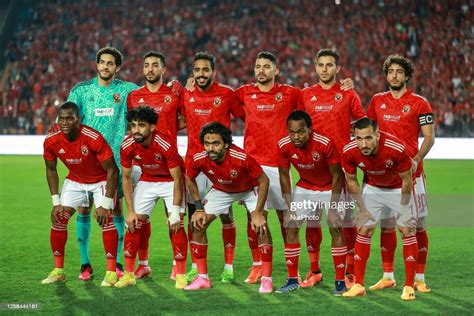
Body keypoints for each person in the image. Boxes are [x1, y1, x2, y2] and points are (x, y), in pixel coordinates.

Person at [235, 51, 354, 284]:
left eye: (267, 66)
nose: (261, 70)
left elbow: (316, 107)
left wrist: (345, 86)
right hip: (255, 163)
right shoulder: (243, 93)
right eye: (258, 66)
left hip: (301, 163)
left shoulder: (293, 93)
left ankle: (326, 272)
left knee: (293, 219)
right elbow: (230, 106)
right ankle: (259, 264)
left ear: (276, 70)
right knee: (255, 216)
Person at [67, 47, 138, 280]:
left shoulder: (127, 90)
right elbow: (67, 118)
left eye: (110, 63)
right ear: (96, 64)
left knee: (115, 208)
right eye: (102, 62)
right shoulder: (81, 91)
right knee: (84, 209)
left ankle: (116, 262)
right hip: (86, 161)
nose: (105, 67)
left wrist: (179, 85)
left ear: (117, 67)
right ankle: (85, 264)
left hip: (114, 163)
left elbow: (152, 94)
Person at [297, 48, 365, 288]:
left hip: (341, 168)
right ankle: (314, 270)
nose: (324, 69)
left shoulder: (348, 94)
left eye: (329, 65)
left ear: (337, 69)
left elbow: (361, 126)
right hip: (313, 167)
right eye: (321, 65)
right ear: (315, 67)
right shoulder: (305, 95)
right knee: (312, 220)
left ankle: (350, 272)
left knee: (344, 220)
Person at [367, 54, 434, 293]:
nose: (394, 76)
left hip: (412, 176)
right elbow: (369, 135)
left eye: (399, 72)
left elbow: (429, 137)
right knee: (386, 225)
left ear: (406, 76)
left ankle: (419, 277)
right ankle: (388, 276)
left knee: (416, 225)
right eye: (390, 71)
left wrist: (416, 159)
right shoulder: (376, 101)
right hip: (384, 177)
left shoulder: (419, 103)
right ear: (386, 75)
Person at [184, 122, 273, 293]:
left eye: (216, 144)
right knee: (197, 224)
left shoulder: (241, 159)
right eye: (207, 144)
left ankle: (267, 280)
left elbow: (264, 181)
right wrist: (198, 208)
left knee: (261, 228)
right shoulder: (199, 158)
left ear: (226, 144)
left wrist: (258, 213)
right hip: (222, 190)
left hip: (249, 189)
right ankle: (203, 278)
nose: (211, 148)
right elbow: (189, 178)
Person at [180, 52, 245, 283]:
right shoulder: (185, 93)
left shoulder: (226, 94)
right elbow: (174, 117)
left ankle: (228, 266)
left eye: (205, 70)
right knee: (194, 216)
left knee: (226, 215)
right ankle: (196, 267)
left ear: (213, 72)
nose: (201, 74)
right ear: (192, 72)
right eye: (197, 70)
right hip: (194, 164)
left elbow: (248, 115)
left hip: (221, 163)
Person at [41, 102, 119, 286]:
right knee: (59, 217)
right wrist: (56, 202)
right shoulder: (51, 140)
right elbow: (51, 169)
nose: (65, 123)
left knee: (106, 218)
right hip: (75, 180)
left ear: (79, 120)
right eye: (62, 119)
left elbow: (112, 170)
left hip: (100, 179)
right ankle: (58, 271)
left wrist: (106, 205)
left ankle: (111, 272)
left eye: (70, 118)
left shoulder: (93, 137)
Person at [341, 118, 418, 301]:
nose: (363, 144)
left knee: (407, 230)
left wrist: (404, 206)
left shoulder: (396, 147)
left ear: (377, 134)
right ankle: (358, 285)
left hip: (399, 188)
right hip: (373, 187)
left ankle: (408, 286)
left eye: (368, 138)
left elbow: (407, 179)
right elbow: (351, 180)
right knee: (365, 228)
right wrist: (362, 208)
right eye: (358, 138)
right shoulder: (349, 151)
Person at [126, 51, 185, 279]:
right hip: (145, 167)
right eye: (147, 65)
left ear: (163, 70)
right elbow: (133, 127)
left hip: (170, 165)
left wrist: (167, 131)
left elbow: (185, 119)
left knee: (175, 219)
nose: (150, 69)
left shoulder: (173, 94)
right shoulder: (134, 96)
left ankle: (176, 266)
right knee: (141, 219)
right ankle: (144, 264)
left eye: (155, 65)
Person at [115, 106, 187, 289]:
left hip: (170, 181)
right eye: (132, 125)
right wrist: (130, 211)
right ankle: (129, 274)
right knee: (133, 223)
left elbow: (178, 178)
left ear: (152, 127)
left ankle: (180, 275)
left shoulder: (164, 144)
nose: (136, 130)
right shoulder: (127, 145)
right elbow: (125, 177)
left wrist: (176, 210)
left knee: (175, 224)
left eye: (141, 125)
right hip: (147, 179)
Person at [276, 110, 346, 295]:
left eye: (300, 132)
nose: (296, 136)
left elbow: (338, 175)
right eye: (292, 132)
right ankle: (292, 279)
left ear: (310, 129)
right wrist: (290, 207)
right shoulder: (284, 145)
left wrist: (332, 209)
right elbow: (284, 175)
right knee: (291, 224)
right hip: (306, 186)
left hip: (331, 186)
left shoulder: (324, 143)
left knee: (335, 226)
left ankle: (340, 281)